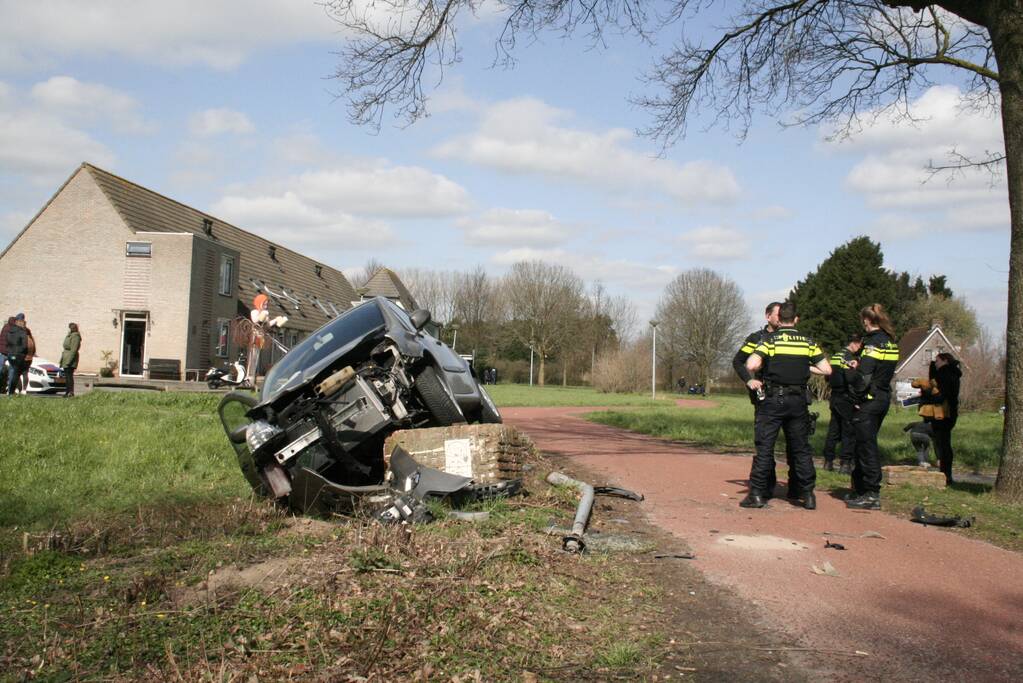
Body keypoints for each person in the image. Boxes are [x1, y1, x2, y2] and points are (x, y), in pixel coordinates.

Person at [741, 301, 831, 510]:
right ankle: (807, 494)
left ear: (779, 319)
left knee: (765, 447)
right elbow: (826, 369)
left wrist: (767, 362)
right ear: (796, 319)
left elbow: (751, 364)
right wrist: (802, 365)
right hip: (798, 401)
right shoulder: (807, 342)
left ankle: (756, 494)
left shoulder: (771, 340)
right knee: (800, 448)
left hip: (773, 400)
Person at [732, 302, 792, 497]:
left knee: (795, 443)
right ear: (768, 316)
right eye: (777, 314)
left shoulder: (792, 337)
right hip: (765, 398)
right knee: (765, 443)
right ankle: (766, 484)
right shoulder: (756, 338)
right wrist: (749, 380)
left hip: (791, 399)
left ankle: (798, 486)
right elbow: (738, 361)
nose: (781, 317)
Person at [845, 304, 900, 510]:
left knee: (866, 446)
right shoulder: (890, 343)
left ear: (867, 321)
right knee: (867, 443)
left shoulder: (871, 345)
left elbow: (864, 377)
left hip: (869, 399)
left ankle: (871, 493)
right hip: (883, 397)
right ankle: (862, 489)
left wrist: (855, 388)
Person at [821, 333, 862, 473]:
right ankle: (845, 463)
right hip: (846, 398)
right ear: (855, 343)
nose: (859, 348)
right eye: (859, 345)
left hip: (835, 396)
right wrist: (856, 398)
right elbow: (851, 379)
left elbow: (828, 377)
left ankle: (828, 461)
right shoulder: (849, 358)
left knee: (833, 430)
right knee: (848, 432)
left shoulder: (836, 356)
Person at [931, 353, 962, 484]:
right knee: (944, 443)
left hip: (943, 412)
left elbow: (941, 394)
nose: (935, 363)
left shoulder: (944, 374)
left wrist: (929, 395)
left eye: (937, 361)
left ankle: (945, 475)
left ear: (945, 361)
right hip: (951, 412)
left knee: (942, 444)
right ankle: (946, 474)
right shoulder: (955, 373)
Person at [4, 313, 29, 395]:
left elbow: (7, 343)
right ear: (21, 321)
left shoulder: (10, 330)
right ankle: (11, 392)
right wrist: (20, 352)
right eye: (23, 321)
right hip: (18, 355)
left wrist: (10, 351)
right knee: (16, 373)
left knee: (14, 372)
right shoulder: (22, 331)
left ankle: (11, 391)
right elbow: (25, 345)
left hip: (10, 355)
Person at [60, 322, 82, 397]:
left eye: (70, 328)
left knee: (69, 376)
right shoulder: (70, 335)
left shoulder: (76, 336)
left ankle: (70, 392)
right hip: (66, 357)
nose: (69, 329)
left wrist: (69, 361)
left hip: (70, 358)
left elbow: (74, 349)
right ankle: (67, 392)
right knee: (67, 376)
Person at [0, 314, 13, 394]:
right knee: (12, 370)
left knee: (0, 369)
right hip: (11, 353)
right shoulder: (13, 329)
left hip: (2, 352)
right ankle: (9, 389)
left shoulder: (4, 328)